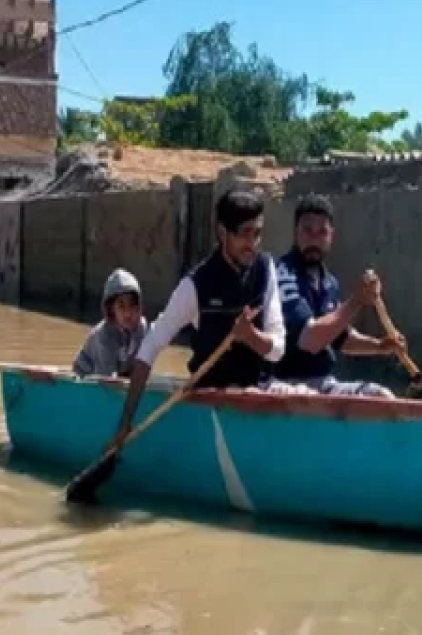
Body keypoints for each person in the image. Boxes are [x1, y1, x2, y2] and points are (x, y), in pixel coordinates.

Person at [104, 188, 286, 450]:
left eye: (257, 233)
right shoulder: (195, 286)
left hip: (259, 390)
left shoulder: (266, 269)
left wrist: (251, 337)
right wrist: (125, 422)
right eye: (244, 234)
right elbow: (150, 348)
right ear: (223, 232)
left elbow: (277, 350)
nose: (253, 243)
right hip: (213, 393)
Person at [271, 193, 405, 398]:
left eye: (322, 232)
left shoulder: (328, 282)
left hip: (321, 381)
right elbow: (310, 339)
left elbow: (339, 338)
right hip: (286, 382)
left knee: (381, 396)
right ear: (295, 233)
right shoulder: (283, 275)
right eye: (307, 231)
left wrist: (380, 346)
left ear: (331, 236)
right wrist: (356, 301)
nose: (314, 239)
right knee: (310, 400)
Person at [72, 268, 149, 378]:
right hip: (87, 375)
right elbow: (105, 378)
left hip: (120, 370)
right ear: (111, 309)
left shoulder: (141, 327)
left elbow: (140, 363)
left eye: (132, 305)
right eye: (121, 306)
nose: (128, 313)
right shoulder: (103, 335)